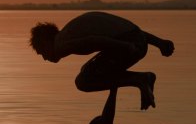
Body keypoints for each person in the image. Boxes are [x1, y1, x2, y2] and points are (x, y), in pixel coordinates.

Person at [29, 11, 174, 110]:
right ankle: (141, 79)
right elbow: (128, 30)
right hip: (137, 40)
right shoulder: (70, 31)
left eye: (42, 52)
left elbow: (93, 40)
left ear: (45, 42)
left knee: (83, 81)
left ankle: (140, 80)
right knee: (86, 70)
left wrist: (126, 46)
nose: (45, 58)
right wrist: (159, 43)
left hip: (129, 45)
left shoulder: (61, 43)